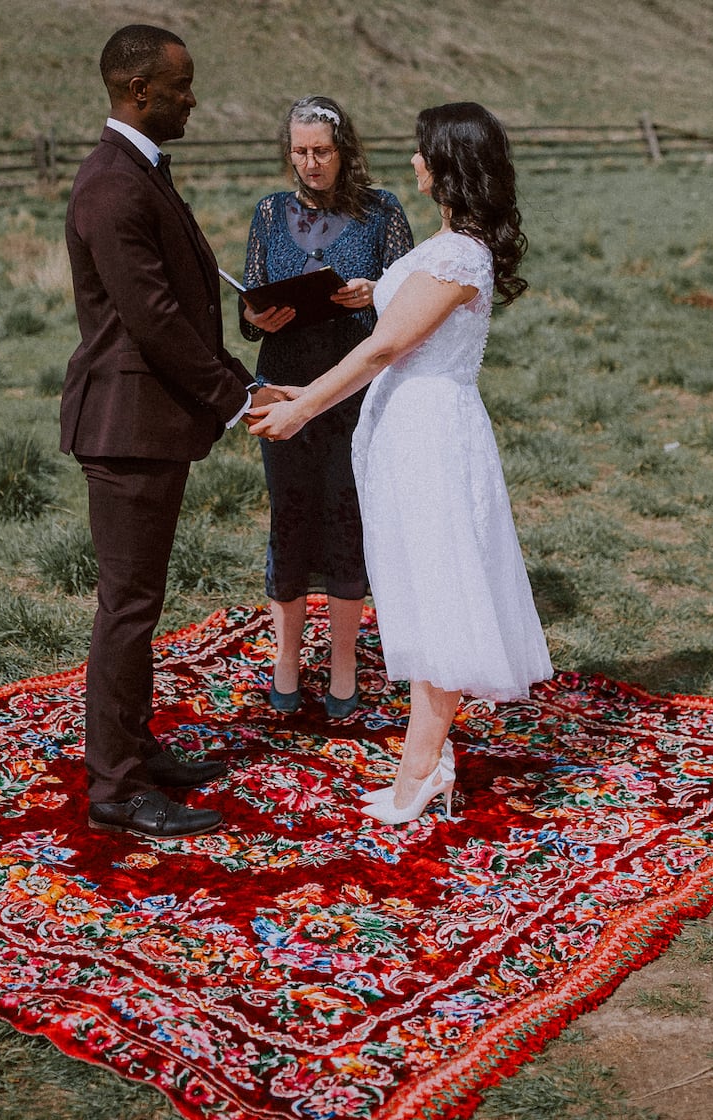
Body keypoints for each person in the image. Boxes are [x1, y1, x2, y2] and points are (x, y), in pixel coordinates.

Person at [247, 102, 553, 824]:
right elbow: (388, 350)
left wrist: (303, 409)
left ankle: (419, 771)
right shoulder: (447, 242)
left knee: (440, 591)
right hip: (404, 429)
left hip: (433, 437)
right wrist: (297, 388)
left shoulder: (458, 255)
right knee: (415, 589)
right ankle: (428, 758)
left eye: (423, 152)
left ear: (448, 164)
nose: (413, 162)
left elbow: (383, 348)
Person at [61, 25, 283, 839]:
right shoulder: (112, 187)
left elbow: (174, 294)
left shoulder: (137, 173)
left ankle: (136, 747)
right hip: (127, 426)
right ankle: (116, 788)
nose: (195, 99)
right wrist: (241, 397)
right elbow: (151, 320)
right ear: (140, 92)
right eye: (183, 87)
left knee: (140, 603)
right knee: (127, 607)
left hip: (149, 422)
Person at [240, 96, 413, 720]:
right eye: (300, 151)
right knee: (288, 516)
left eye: (322, 151)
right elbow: (247, 308)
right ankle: (286, 662)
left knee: (346, 519)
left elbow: (412, 310)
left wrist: (377, 291)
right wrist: (255, 314)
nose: (310, 163)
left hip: (354, 393)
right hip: (282, 390)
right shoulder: (267, 212)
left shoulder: (383, 212)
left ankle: (344, 668)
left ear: (344, 151)